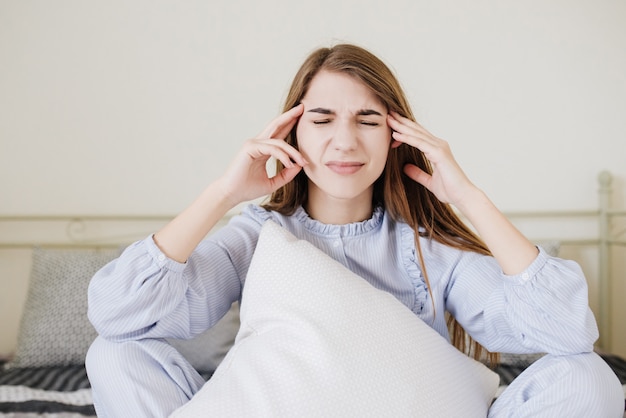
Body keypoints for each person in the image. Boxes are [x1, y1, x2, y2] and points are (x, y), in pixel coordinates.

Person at [86, 43, 623, 417]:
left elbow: (569, 334)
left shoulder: (425, 247)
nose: (344, 142)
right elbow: (117, 314)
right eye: (322, 120)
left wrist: (469, 197)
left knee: (588, 376)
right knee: (114, 353)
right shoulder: (257, 235)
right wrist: (223, 193)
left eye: (368, 120)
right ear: (291, 130)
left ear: (395, 137)